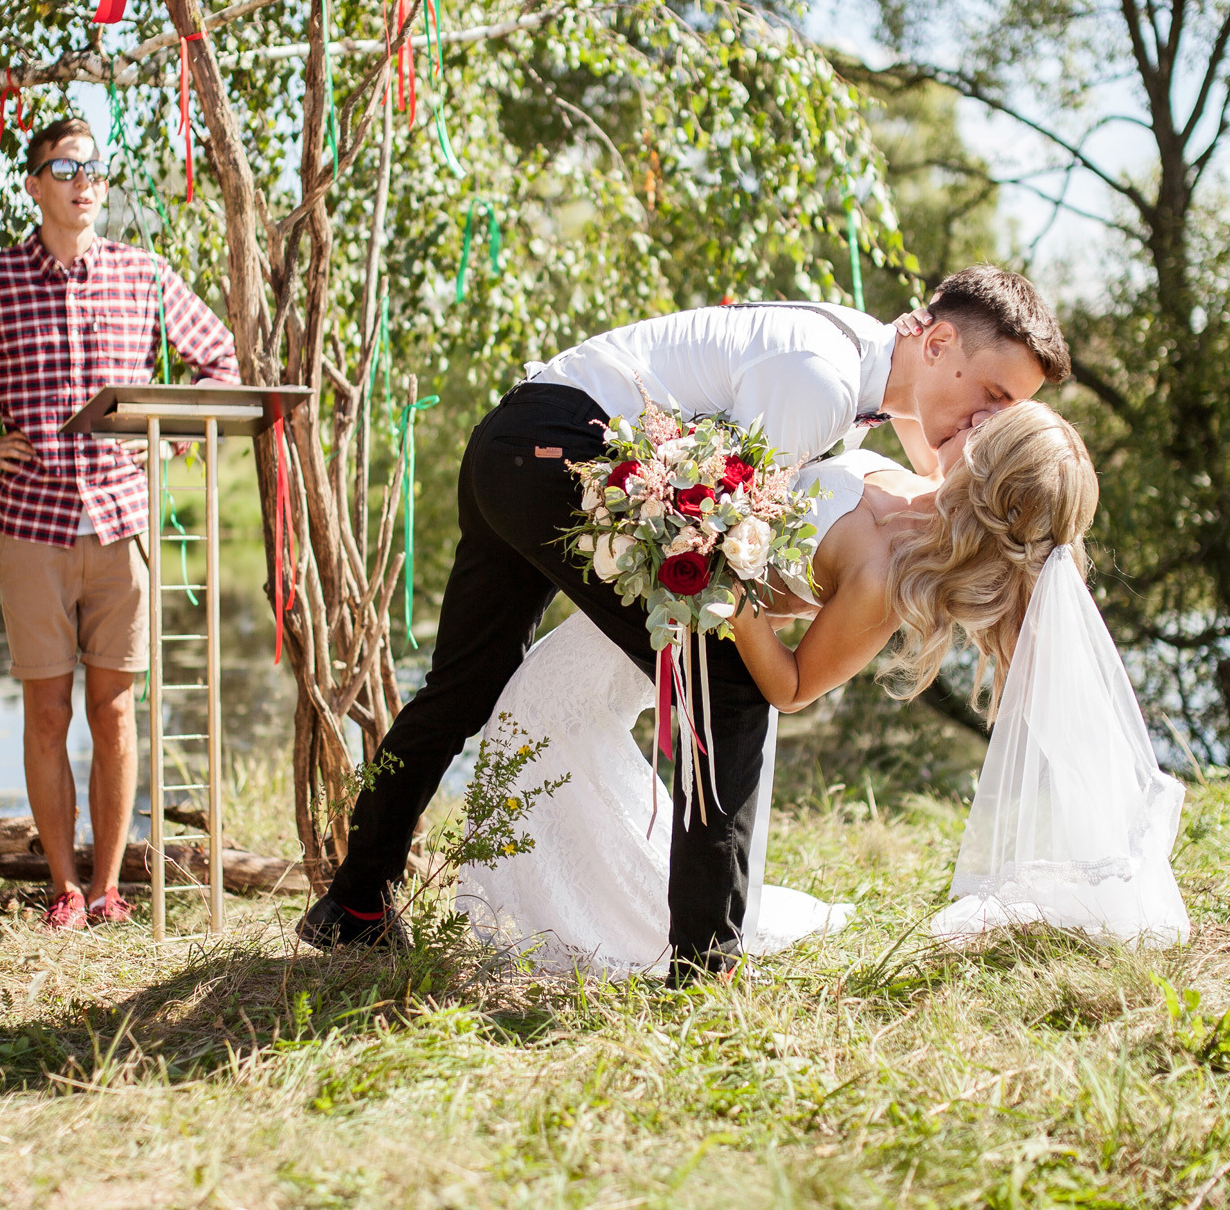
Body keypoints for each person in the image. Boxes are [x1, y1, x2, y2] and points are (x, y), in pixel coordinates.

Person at [300, 266, 1072, 983]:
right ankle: (706, 965)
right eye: (995, 394)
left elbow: (917, 454)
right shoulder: (821, 383)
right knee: (727, 687)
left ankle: (355, 903)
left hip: (513, 443)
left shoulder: (861, 362)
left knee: (464, 684)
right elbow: (726, 533)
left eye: (1009, 411)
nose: (990, 420)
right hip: (568, 451)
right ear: (937, 343)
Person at [458, 402, 1189, 970]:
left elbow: (794, 686)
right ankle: (574, 897)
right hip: (653, 608)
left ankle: (570, 918)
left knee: (535, 718)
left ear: (987, 467)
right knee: (535, 717)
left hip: (693, 622)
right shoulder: (915, 478)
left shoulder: (888, 579)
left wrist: (728, 577)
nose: (975, 415)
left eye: (991, 423)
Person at [0, 116, 239, 931]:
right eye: (65, 167)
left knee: (114, 710)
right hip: (31, 525)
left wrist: (169, 439)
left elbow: (219, 361)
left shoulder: (143, 275)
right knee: (47, 710)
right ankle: (65, 889)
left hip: (122, 523)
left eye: (93, 168)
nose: (84, 181)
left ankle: (110, 888)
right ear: (34, 184)